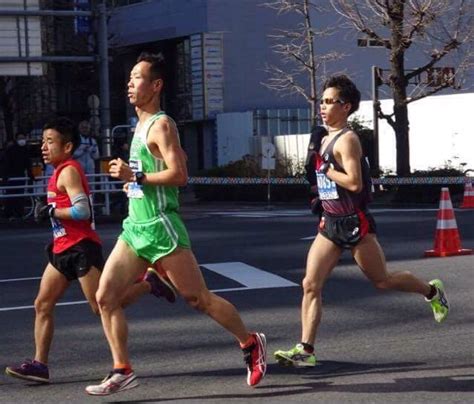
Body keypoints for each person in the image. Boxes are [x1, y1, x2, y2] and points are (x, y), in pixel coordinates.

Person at [85, 52, 267, 396]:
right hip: (135, 228)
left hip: (161, 226)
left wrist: (135, 174)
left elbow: (180, 175)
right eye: (129, 78)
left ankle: (249, 342)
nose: (129, 83)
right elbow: (158, 174)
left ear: (156, 85)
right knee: (105, 297)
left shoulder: (162, 124)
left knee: (198, 299)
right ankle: (122, 369)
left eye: (137, 78)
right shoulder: (139, 125)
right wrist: (134, 183)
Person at [274, 75, 449, 367]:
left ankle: (432, 291)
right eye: (323, 101)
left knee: (382, 281)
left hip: (355, 223)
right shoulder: (321, 137)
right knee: (310, 284)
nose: (325, 107)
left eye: (332, 102)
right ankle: (306, 350)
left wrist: (328, 171)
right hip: (330, 223)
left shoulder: (348, 140)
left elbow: (354, 183)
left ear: (348, 107)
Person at [5, 117, 176, 384]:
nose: (44, 147)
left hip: (81, 248)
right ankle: (40, 364)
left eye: (50, 142)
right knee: (42, 304)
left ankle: (148, 283)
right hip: (61, 249)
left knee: (102, 307)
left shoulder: (69, 170)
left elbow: (82, 210)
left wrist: (51, 210)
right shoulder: (57, 170)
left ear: (68, 146)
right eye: (43, 142)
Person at [2, 133, 35, 220]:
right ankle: (10, 214)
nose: (22, 140)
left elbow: (27, 163)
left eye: (23, 138)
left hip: (19, 175)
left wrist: (30, 174)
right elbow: (6, 164)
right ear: (16, 139)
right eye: (20, 138)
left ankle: (18, 213)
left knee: (19, 195)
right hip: (12, 175)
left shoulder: (24, 149)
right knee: (12, 195)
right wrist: (5, 176)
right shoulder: (11, 150)